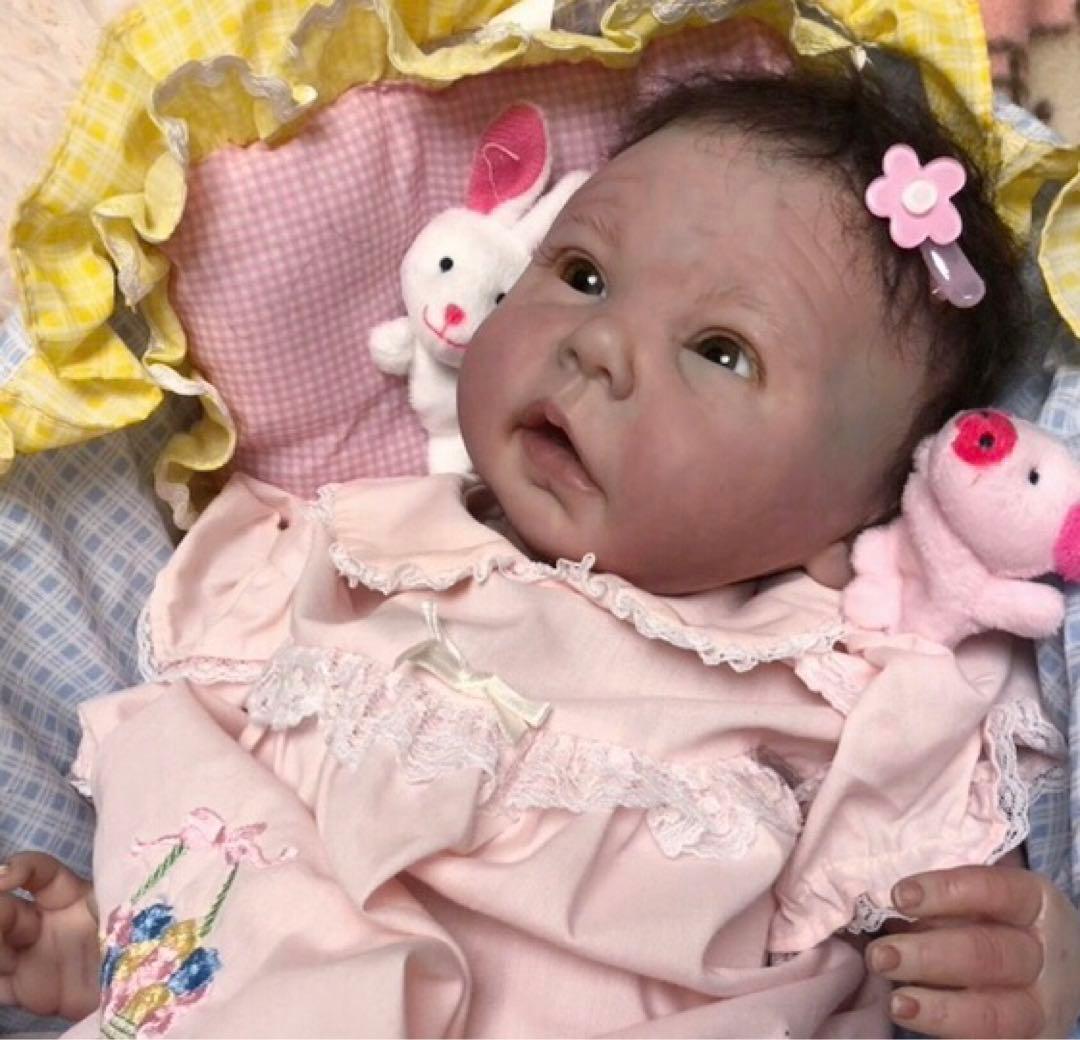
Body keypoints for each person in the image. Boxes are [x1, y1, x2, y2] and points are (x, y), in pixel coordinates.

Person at [2, 59, 1079, 1038]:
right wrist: (116, 943)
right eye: (583, 272)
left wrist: (1043, 967)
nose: (599, 343)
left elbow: (930, 934)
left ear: (866, 508)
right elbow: (229, 830)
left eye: (720, 349)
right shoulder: (345, 553)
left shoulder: (843, 688)